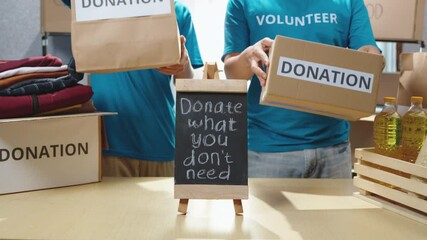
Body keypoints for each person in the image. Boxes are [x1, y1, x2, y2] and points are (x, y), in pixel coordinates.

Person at [222, 0, 384, 178]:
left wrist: (372, 60)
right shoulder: (242, 3)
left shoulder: (348, 2)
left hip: (333, 148)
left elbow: (368, 54)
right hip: (267, 150)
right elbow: (233, 73)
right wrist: (248, 57)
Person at [62, 0, 203, 177]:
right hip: (108, 142)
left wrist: (184, 64)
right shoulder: (99, 5)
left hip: (160, 139)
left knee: (162, 206)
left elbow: (187, 85)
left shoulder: (176, 10)